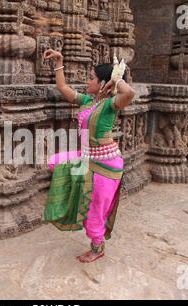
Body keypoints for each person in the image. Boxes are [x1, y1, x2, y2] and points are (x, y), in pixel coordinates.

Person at [42, 49, 135, 263]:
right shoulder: (88, 101)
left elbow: (128, 94)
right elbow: (63, 88)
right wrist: (60, 62)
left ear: (103, 83)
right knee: (55, 161)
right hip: (87, 156)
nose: (87, 81)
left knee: (95, 210)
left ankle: (97, 247)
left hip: (106, 163)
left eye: (91, 78)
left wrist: (116, 79)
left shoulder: (110, 105)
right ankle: (76, 192)